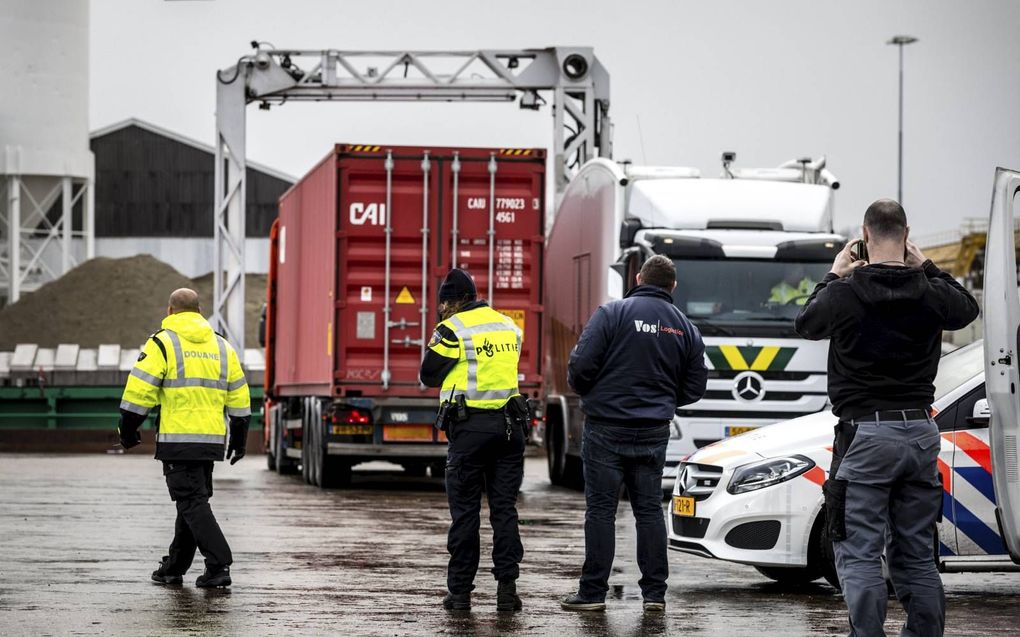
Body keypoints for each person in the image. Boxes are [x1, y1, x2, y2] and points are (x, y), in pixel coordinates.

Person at [795, 199, 979, 637]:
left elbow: (807, 323)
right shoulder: (931, 292)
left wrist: (835, 272)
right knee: (916, 554)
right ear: (907, 235)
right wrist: (929, 267)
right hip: (919, 432)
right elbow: (968, 309)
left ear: (863, 235)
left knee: (859, 552)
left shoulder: (844, 291)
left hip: (865, 435)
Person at [560, 255, 708, 613]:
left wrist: (594, 395)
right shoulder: (685, 327)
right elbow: (695, 385)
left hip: (606, 428)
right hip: (653, 432)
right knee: (649, 510)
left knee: (600, 511)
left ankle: (593, 593)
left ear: (639, 278)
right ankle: (655, 594)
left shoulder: (612, 314)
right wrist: (664, 402)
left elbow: (580, 367)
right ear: (672, 285)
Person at [117, 288, 251, 588]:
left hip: (178, 441)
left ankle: (219, 565)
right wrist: (240, 440)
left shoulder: (162, 343)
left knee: (191, 502)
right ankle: (173, 567)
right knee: (190, 502)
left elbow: (139, 392)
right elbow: (240, 398)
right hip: (211, 442)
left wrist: (127, 432)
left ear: (170, 311)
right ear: (199, 311)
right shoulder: (222, 347)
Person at [419, 268, 529, 613]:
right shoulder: (509, 327)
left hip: (471, 432)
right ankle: (507, 591)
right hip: (511, 431)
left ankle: (461, 593)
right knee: (504, 512)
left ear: (455, 301)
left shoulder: (453, 330)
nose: (440, 311)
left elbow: (428, 374)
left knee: (465, 514)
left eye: (442, 304)